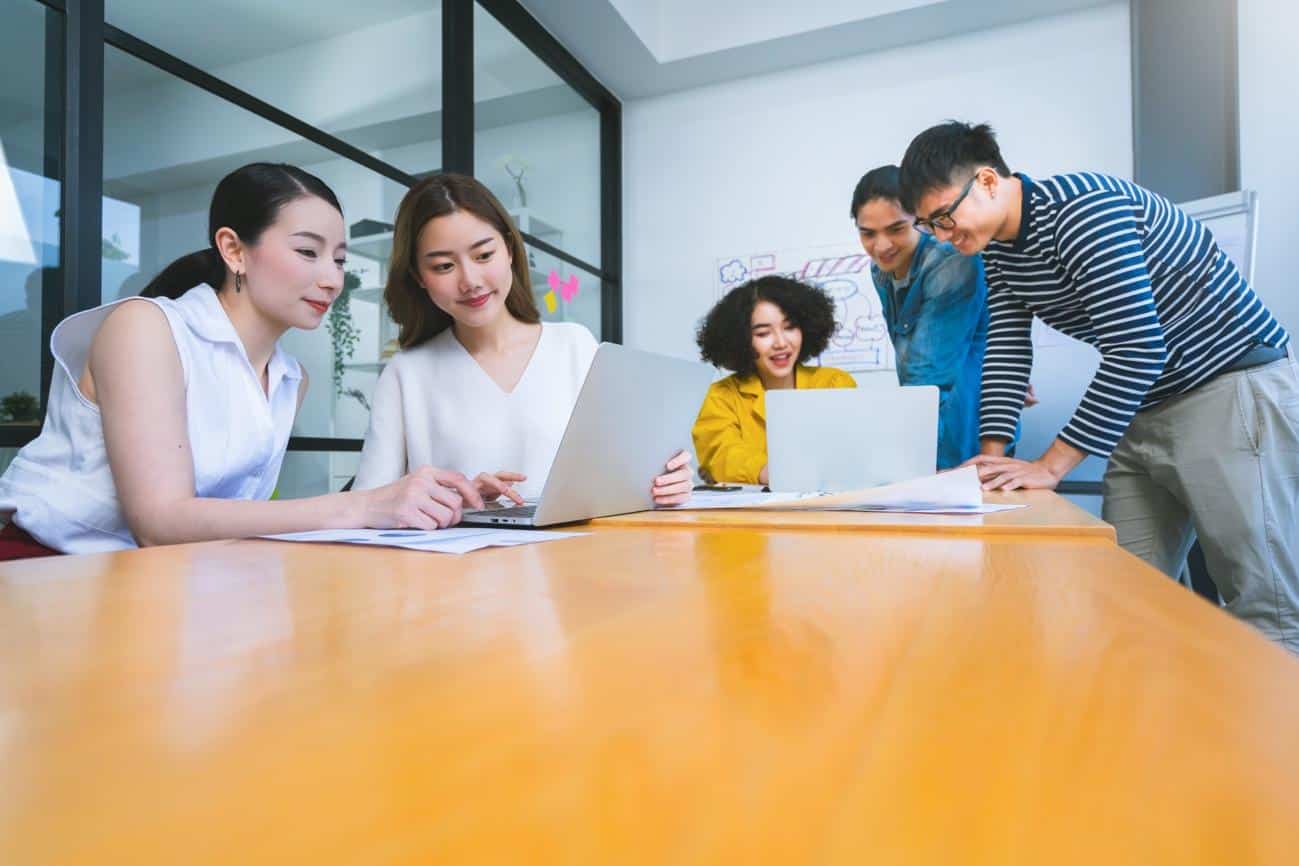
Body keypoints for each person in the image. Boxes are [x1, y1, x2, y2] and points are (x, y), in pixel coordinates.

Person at [899, 120, 1299, 651]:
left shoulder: (1085, 211)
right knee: (1125, 597)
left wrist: (1049, 466)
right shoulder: (998, 252)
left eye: (945, 218)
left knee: (1263, 607)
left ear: (990, 181)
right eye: (930, 227)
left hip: (1228, 386)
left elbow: (1137, 349)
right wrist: (992, 467)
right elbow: (1008, 351)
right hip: (1146, 404)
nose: (944, 238)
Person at [0, 163, 480, 560]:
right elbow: (160, 522)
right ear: (233, 249)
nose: (332, 279)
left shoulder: (292, 379)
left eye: (338, 259)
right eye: (308, 252)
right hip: (41, 567)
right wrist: (362, 506)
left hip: (167, 576)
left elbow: (222, 522)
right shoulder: (145, 327)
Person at [353, 173, 692, 506]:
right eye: (443, 266)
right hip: (458, 562)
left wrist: (665, 483)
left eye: (484, 255)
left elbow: (627, 472)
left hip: (576, 559)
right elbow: (368, 508)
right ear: (419, 277)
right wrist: (459, 501)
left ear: (510, 251)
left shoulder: (575, 347)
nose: (470, 280)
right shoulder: (406, 374)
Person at [851, 164, 993, 469]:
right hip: (924, 418)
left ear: (920, 220)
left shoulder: (951, 261)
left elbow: (930, 373)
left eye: (896, 229)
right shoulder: (880, 270)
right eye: (868, 233)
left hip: (969, 424)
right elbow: (910, 355)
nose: (882, 246)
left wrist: (902, 451)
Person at [692, 275, 856, 485]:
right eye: (763, 333)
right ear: (741, 340)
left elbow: (855, 452)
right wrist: (768, 472)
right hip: (752, 515)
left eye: (789, 327)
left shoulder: (835, 383)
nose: (781, 343)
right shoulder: (721, 396)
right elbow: (721, 455)